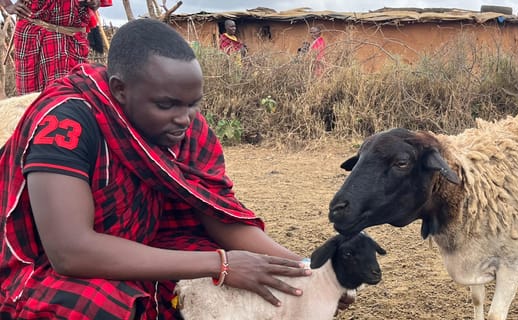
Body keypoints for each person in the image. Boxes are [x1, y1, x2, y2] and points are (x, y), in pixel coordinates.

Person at [0, 19, 352, 319]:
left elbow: (217, 214)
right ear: (119, 90)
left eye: (193, 104)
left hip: (145, 242)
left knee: (238, 289)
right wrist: (221, 265)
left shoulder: (185, 129)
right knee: (94, 306)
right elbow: (70, 251)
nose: (184, 119)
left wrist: (308, 270)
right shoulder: (68, 121)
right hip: (45, 263)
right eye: (166, 105)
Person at [1, 0, 112, 95]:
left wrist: (95, 2)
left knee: (71, 99)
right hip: (33, 34)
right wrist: (7, 5)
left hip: (72, 38)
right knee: (30, 102)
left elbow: (96, 3)